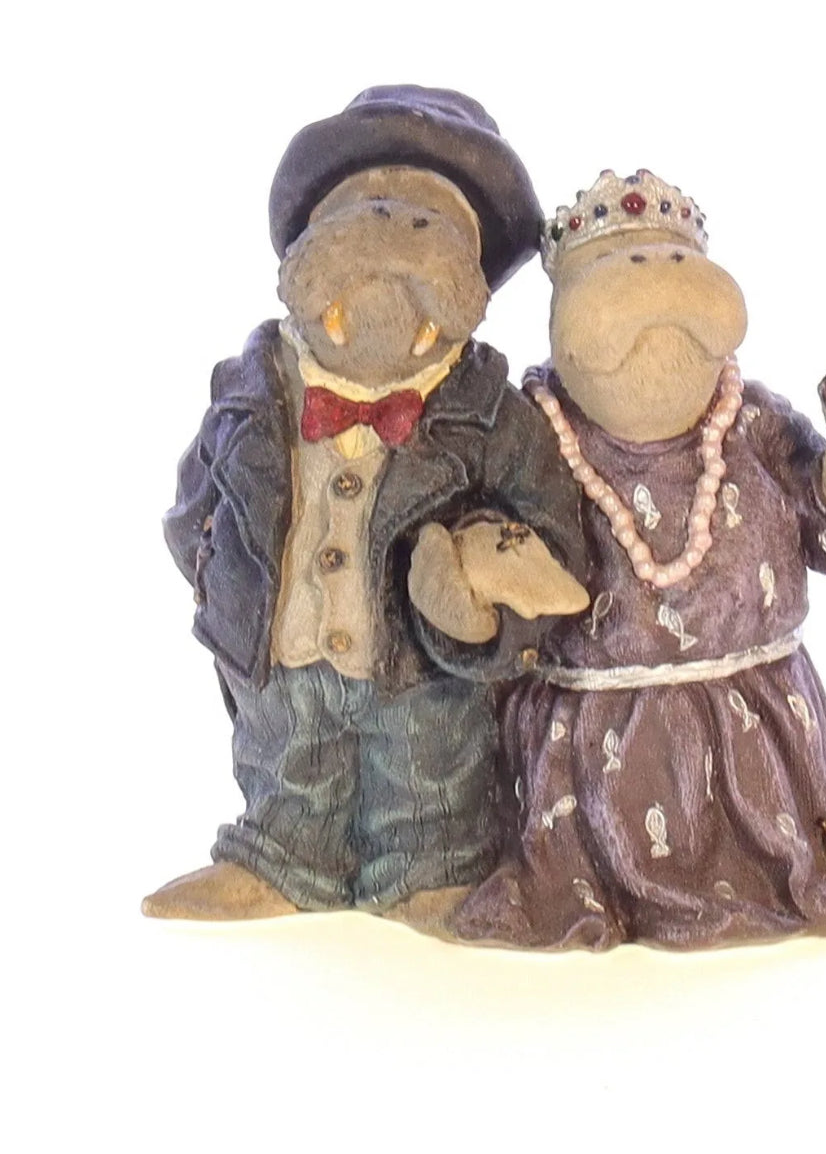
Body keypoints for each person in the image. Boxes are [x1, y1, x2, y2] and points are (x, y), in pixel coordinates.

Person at [143, 87, 588, 921]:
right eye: (366, 207)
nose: (395, 228)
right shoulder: (247, 390)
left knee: (430, 768)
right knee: (287, 757)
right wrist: (223, 582)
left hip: (422, 672)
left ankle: (431, 869)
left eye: (431, 220)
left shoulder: (494, 412)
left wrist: (477, 606)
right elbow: (193, 501)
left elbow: (559, 540)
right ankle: (279, 861)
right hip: (283, 657)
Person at [454, 169, 826, 950]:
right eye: (621, 262)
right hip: (589, 742)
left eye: (674, 257)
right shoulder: (531, 429)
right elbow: (486, 541)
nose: (655, 276)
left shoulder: (751, 420)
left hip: (759, 728)